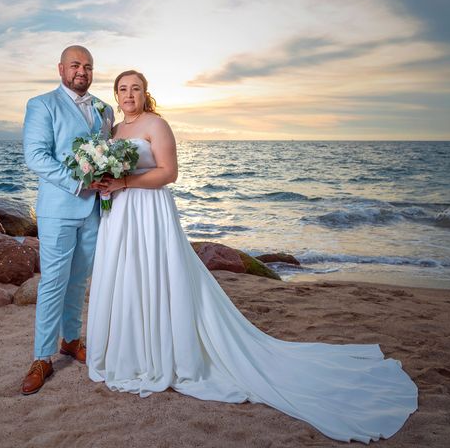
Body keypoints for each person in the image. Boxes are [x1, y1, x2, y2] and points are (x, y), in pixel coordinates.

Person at [86, 70, 418, 443]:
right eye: (123, 89)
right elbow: (110, 170)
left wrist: (126, 182)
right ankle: (135, 350)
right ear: (115, 95)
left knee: (158, 275)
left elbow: (169, 173)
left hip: (150, 212)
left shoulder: (156, 124)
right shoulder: (112, 133)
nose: (129, 94)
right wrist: (104, 183)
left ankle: (165, 352)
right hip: (121, 215)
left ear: (147, 94)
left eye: (136, 88)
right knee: (129, 277)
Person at [21, 45, 113, 395]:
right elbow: (36, 156)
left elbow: (107, 153)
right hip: (59, 209)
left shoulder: (103, 109)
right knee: (53, 283)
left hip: (94, 210)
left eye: (88, 66)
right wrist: (78, 182)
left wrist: (107, 180)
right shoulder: (41, 104)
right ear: (61, 69)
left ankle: (71, 340)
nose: (82, 72)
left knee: (79, 281)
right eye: (75, 65)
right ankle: (42, 358)